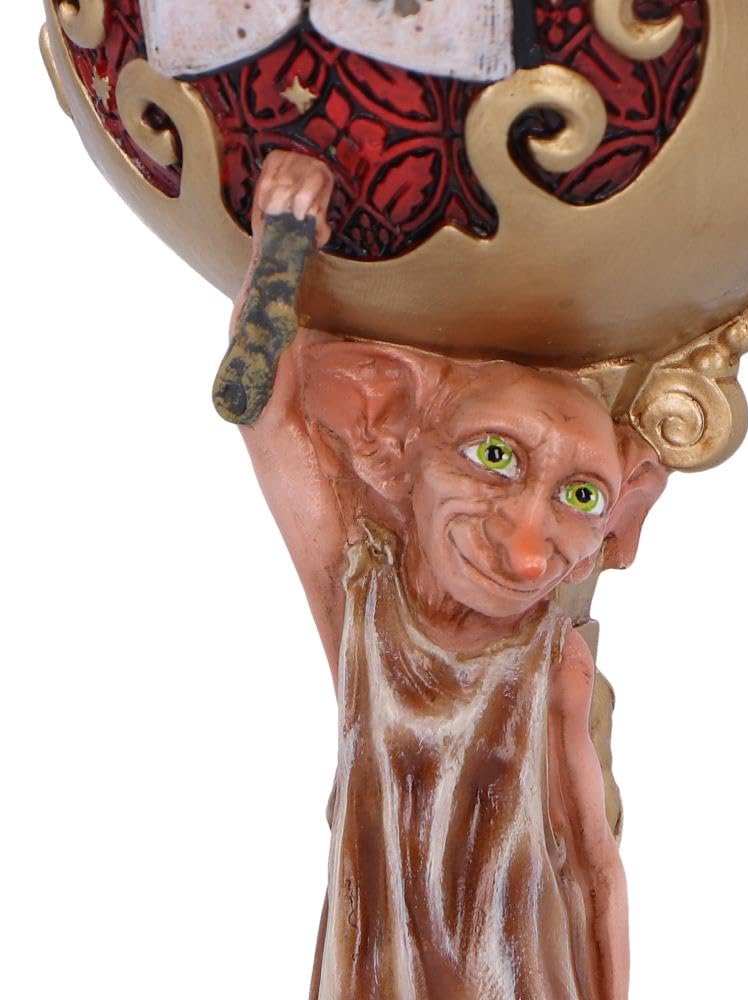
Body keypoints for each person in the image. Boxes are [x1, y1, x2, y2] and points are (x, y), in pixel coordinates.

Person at [222, 151, 667, 1000]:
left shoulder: (554, 666)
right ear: (389, 442)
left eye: (581, 496)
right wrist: (279, 247)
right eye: (493, 457)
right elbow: (265, 410)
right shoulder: (362, 598)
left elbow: (592, 864)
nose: (528, 553)